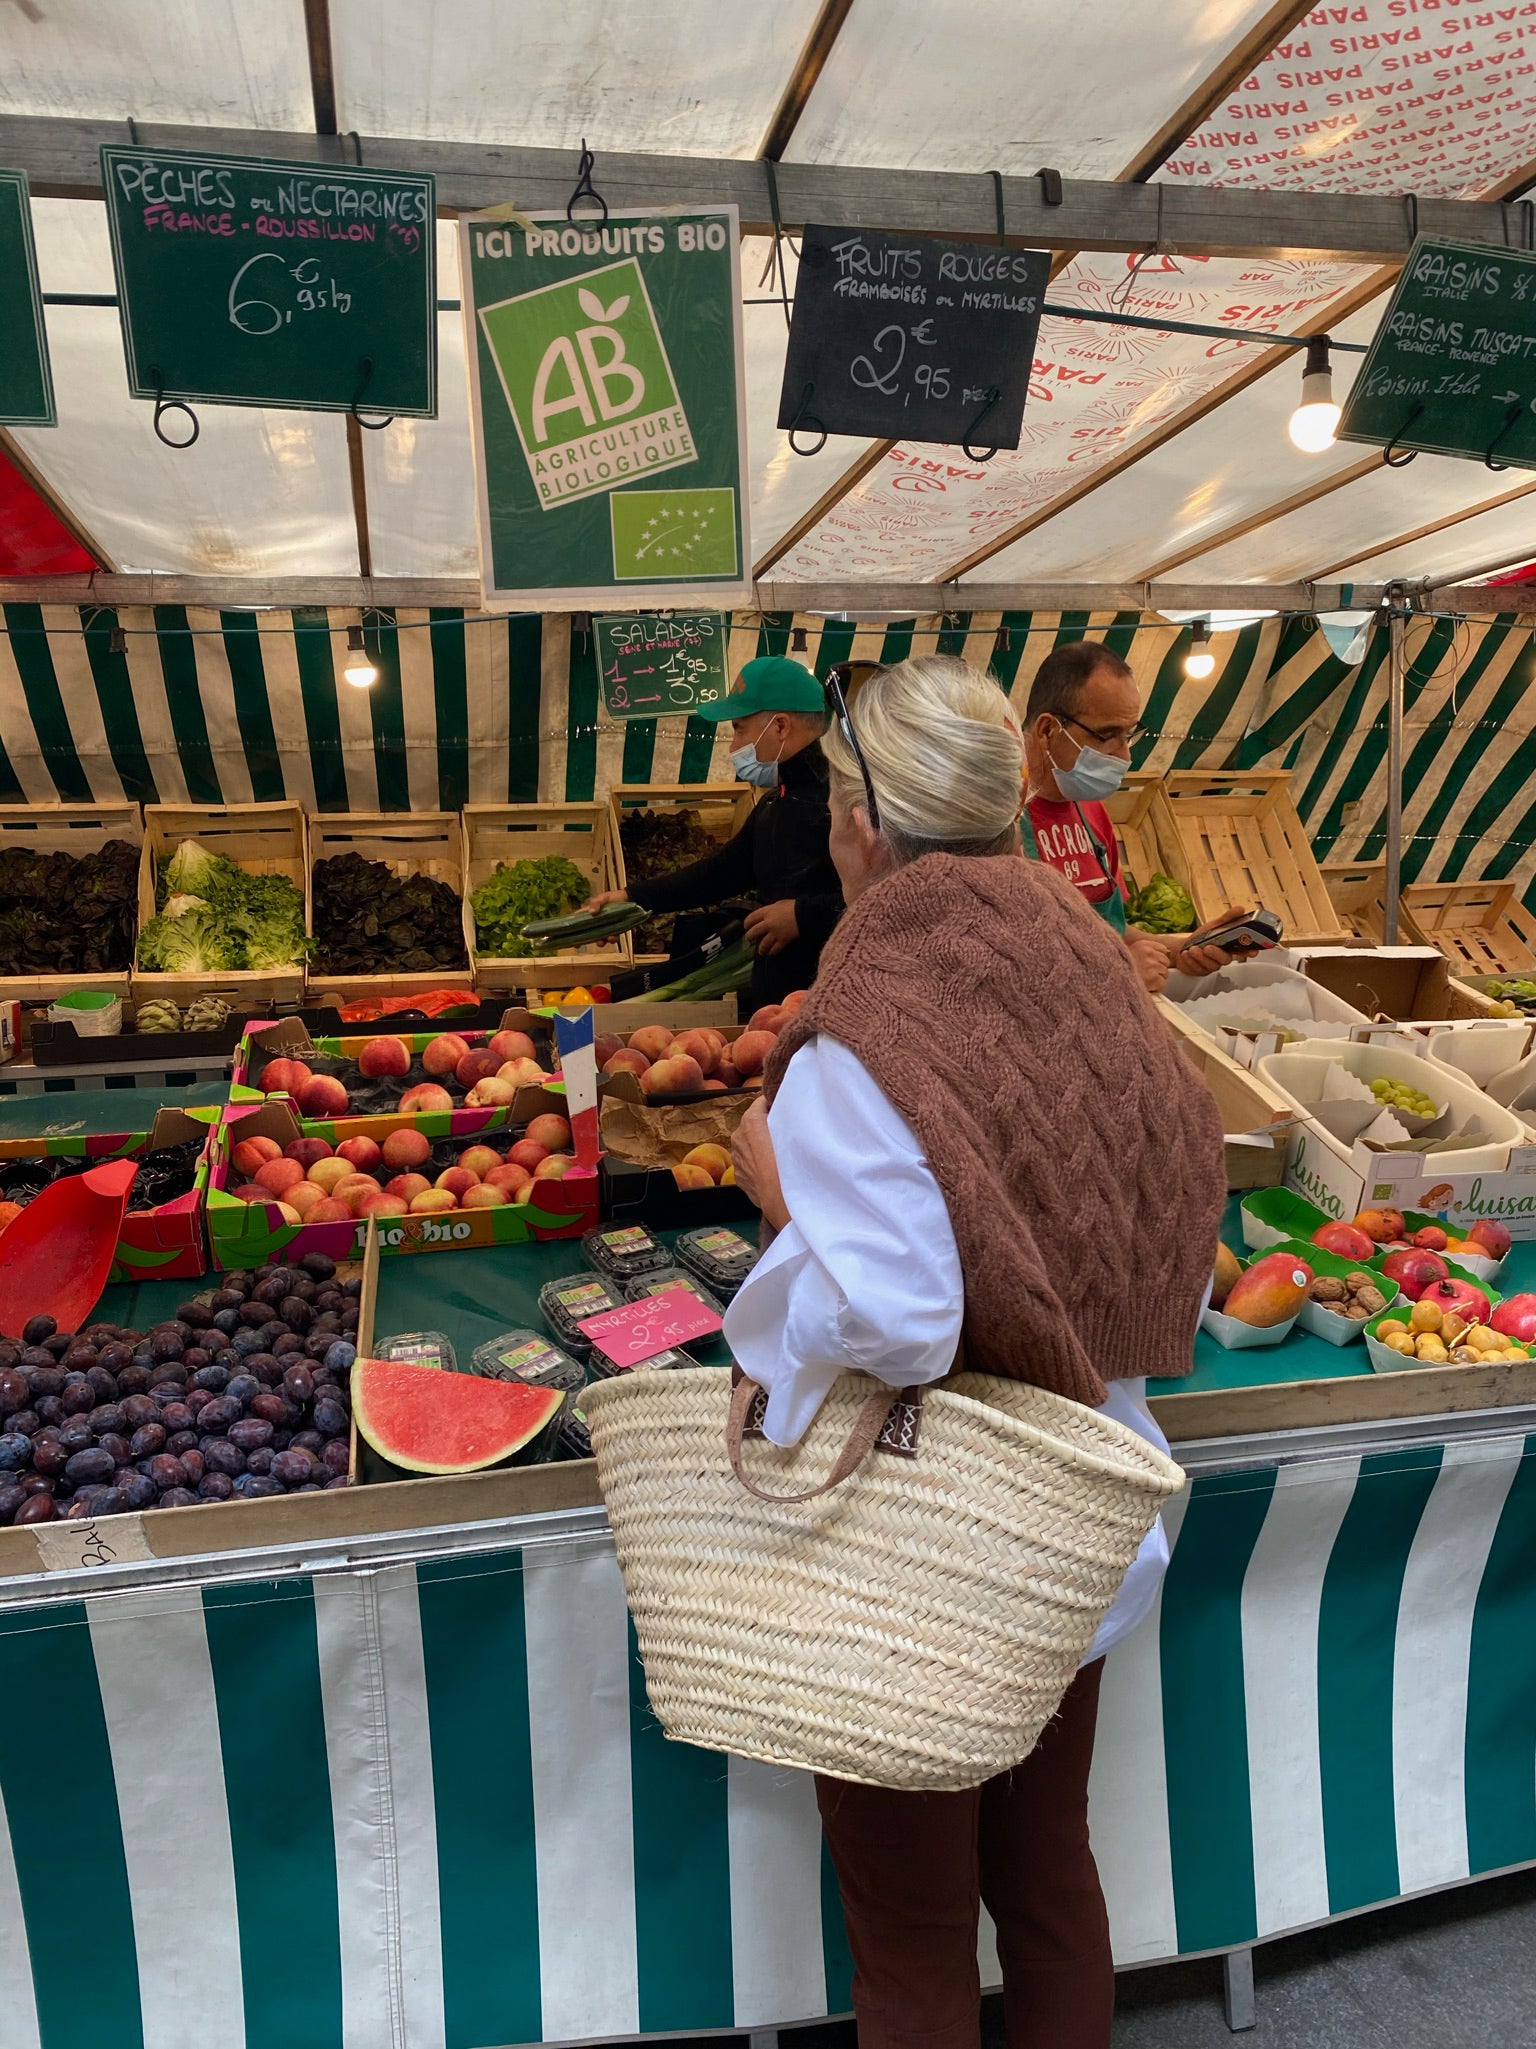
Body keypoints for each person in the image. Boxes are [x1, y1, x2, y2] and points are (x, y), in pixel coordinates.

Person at [725, 653, 1226, 2049]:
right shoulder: (1094, 964)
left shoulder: (863, 1026)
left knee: (912, 1933)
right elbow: (1180, 1176)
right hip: (1082, 1502)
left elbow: (899, 1320)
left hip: (917, 1548)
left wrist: (782, 1198)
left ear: (862, 825)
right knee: (1048, 1870)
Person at [585, 654, 842, 1008]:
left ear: (781, 727)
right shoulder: (777, 801)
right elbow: (720, 873)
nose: (734, 747)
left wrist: (803, 915)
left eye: (739, 729)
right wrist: (632, 898)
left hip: (832, 1005)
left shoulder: (844, 799)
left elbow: (887, 897)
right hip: (777, 1010)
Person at [1022, 641, 1260, 994]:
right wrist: (1115, 972)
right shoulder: (993, 823)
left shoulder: (1090, 810)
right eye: (1108, 736)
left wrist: (1181, 949)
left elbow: (1109, 928)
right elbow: (998, 966)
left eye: (1129, 735)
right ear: (1047, 730)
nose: (1124, 756)